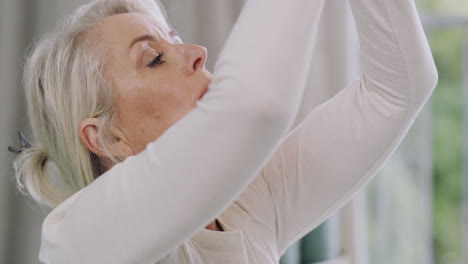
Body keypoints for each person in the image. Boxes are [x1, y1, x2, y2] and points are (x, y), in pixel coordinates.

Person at [9, 0, 438, 262]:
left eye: (176, 39)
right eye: (154, 58)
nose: (197, 53)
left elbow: (399, 88)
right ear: (106, 137)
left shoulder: (248, 206)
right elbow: (251, 110)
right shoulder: (79, 238)